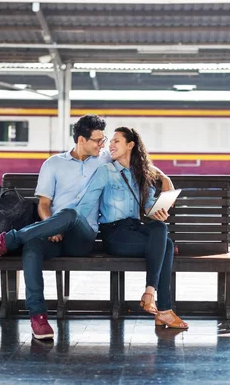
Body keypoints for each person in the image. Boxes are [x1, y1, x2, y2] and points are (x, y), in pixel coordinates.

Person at [0, 115, 174, 340]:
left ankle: (8, 240)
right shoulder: (53, 164)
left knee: (70, 213)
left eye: (105, 139)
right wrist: (51, 226)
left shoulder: (103, 159)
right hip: (53, 232)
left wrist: (163, 177)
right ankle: (38, 316)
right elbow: (44, 204)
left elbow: (135, 161)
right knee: (32, 247)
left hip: (83, 234)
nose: (103, 144)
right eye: (98, 140)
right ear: (81, 140)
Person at [75, 127, 188, 330]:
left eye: (116, 141)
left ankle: (150, 294)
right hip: (115, 234)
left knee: (160, 229)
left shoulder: (141, 175)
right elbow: (86, 203)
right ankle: (163, 310)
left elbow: (147, 209)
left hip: (136, 229)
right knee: (167, 247)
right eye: (111, 142)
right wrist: (67, 226)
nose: (111, 145)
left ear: (130, 145)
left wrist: (158, 211)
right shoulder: (105, 172)